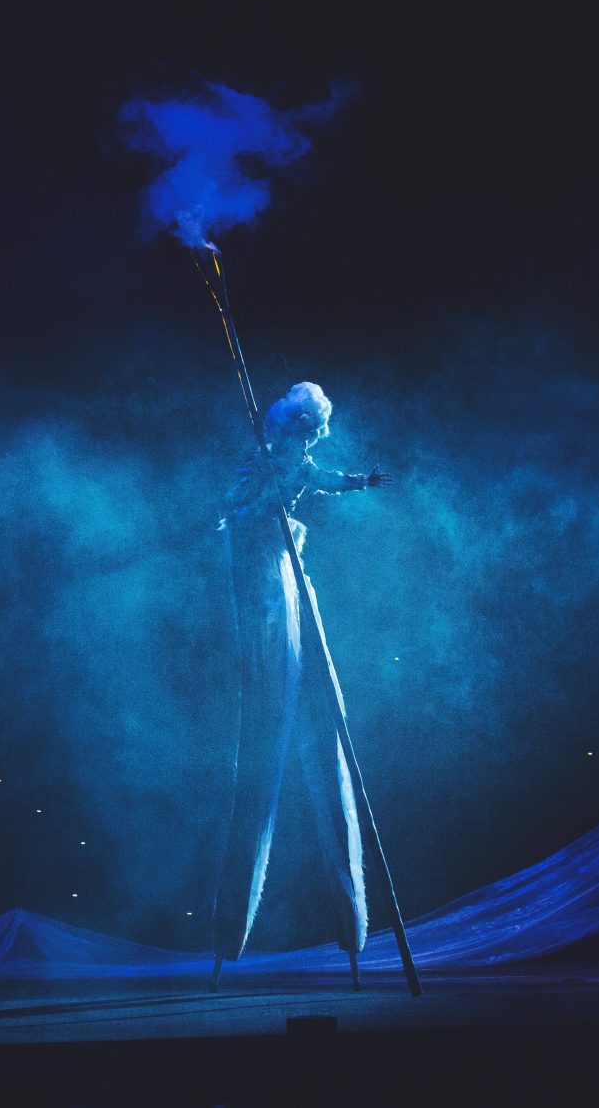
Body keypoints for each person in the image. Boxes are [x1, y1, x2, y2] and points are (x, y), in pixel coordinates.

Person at [211, 382, 389, 988]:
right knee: (268, 714)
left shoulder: (302, 462)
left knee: (320, 714)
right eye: (305, 427)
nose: (309, 438)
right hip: (259, 564)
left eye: (314, 429)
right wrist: (257, 504)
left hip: (285, 567)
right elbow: (233, 501)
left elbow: (328, 480)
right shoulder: (267, 454)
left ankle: (352, 923)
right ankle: (231, 933)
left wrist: (361, 483)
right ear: (292, 424)